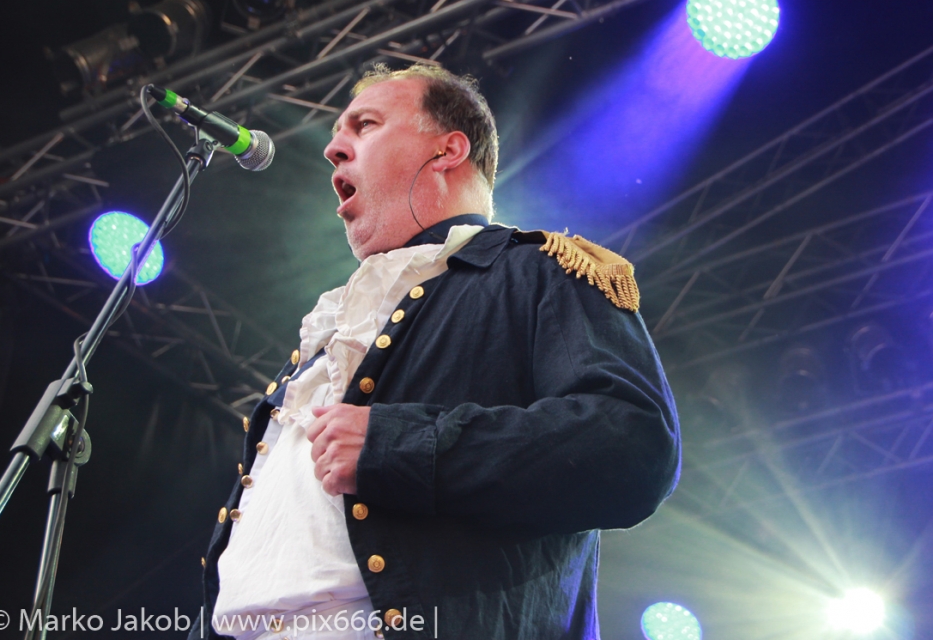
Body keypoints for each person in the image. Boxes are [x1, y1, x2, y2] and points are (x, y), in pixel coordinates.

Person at [191, 64, 680, 640]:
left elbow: (633, 445)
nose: (332, 149)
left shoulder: (538, 270)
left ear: (448, 151)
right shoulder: (330, 325)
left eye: (365, 125)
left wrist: (396, 447)